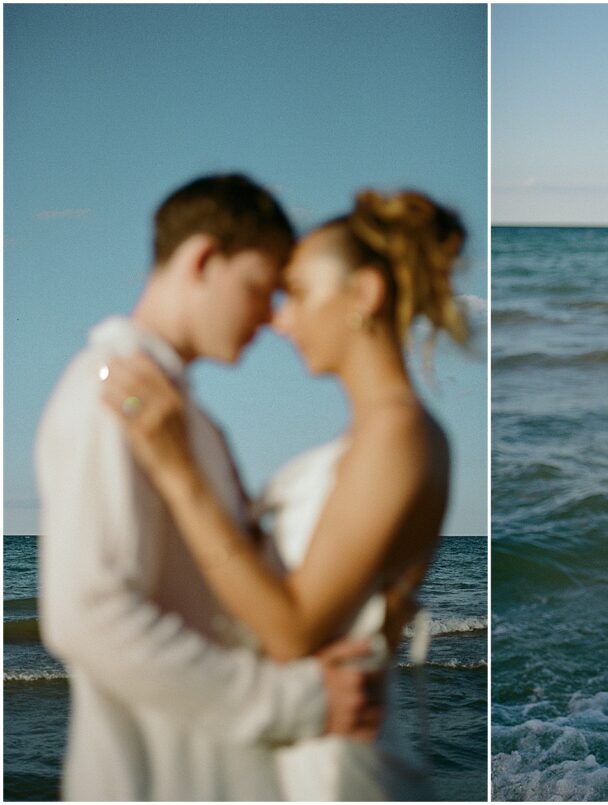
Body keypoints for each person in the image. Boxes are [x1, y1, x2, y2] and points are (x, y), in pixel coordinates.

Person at [99, 189, 468, 800]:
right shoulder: (369, 437)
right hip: (301, 742)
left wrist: (177, 469)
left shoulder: (398, 434)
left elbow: (293, 630)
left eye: (296, 294)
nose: (278, 319)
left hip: (335, 767)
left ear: (364, 295)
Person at [35, 174, 387, 801]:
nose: (272, 316)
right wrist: (297, 704)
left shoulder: (178, 412)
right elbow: (87, 615)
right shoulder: (109, 391)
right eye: (261, 287)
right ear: (202, 258)